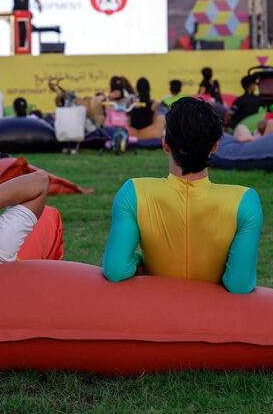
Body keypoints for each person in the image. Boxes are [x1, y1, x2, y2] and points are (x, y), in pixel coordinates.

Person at [101, 97, 263, 294]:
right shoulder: (245, 202)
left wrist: (140, 261)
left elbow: (117, 270)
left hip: (156, 313)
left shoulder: (133, 192)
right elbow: (239, 285)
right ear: (215, 146)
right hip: (210, 319)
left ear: (165, 144)